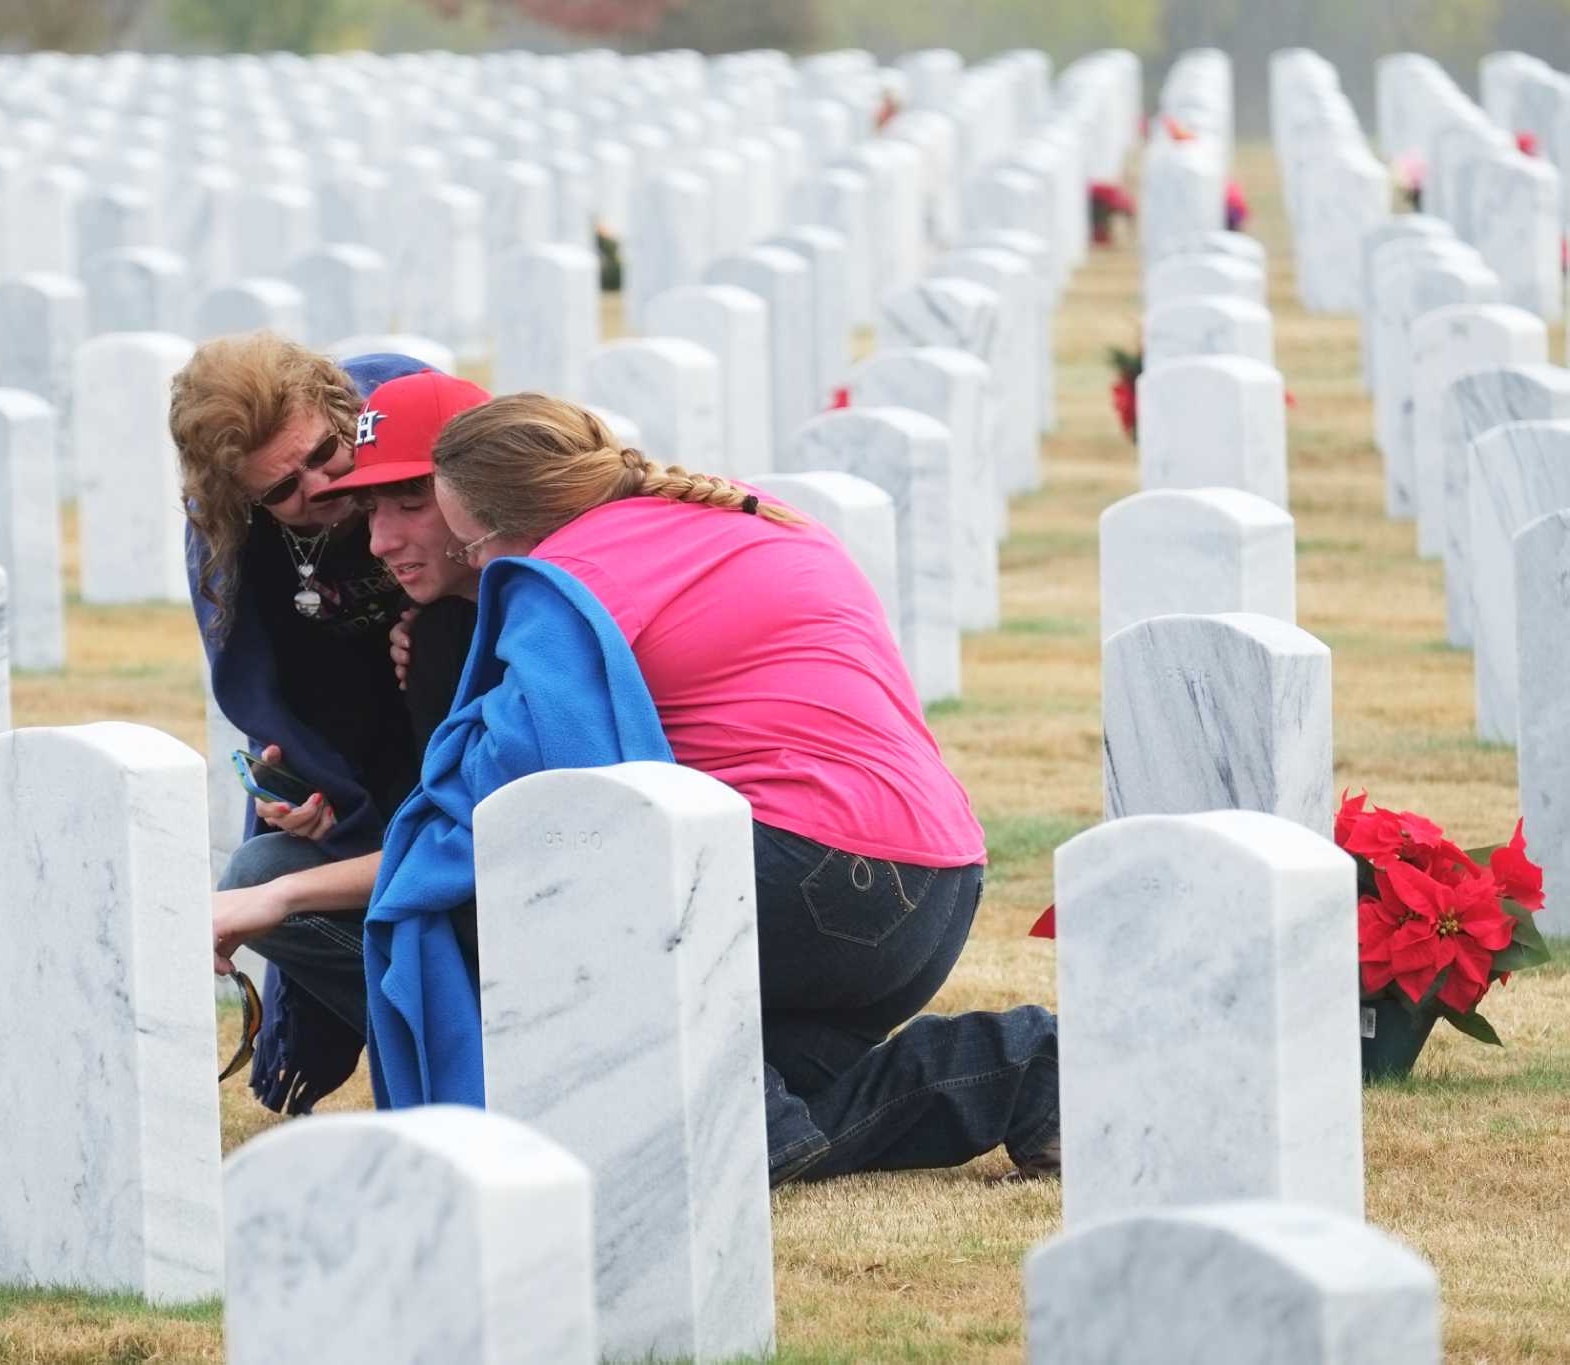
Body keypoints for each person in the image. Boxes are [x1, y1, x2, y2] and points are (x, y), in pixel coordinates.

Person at [373, 392, 1059, 1184]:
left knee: (509, 901)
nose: (481, 569)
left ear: (514, 525)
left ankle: (744, 1123)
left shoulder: (565, 575)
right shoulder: (742, 512)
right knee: (717, 1121)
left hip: (800, 875)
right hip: (936, 884)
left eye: (474, 546)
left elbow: (533, 783)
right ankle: (1026, 1068)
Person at [171, 343, 489, 1108]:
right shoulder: (241, 556)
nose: (325, 487)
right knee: (259, 873)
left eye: (324, 453)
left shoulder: (410, 428)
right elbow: (272, 702)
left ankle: (478, 1039)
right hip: (371, 790)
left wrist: (462, 619)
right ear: (245, 505)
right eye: (285, 488)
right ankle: (443, 1050)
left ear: (346, 412)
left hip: (467, 754)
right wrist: (296, 788)